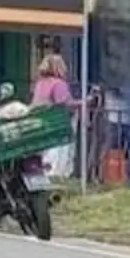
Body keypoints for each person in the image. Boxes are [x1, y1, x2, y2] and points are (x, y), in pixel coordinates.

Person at [32, 37, 78, 178]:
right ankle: (58, 174)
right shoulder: (58, 84)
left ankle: (47, 172)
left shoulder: (40, 83)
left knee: (46, 149)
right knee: (60, 150)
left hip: (43, 119)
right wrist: (85, 102)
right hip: (58, 122)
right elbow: (64, 103)